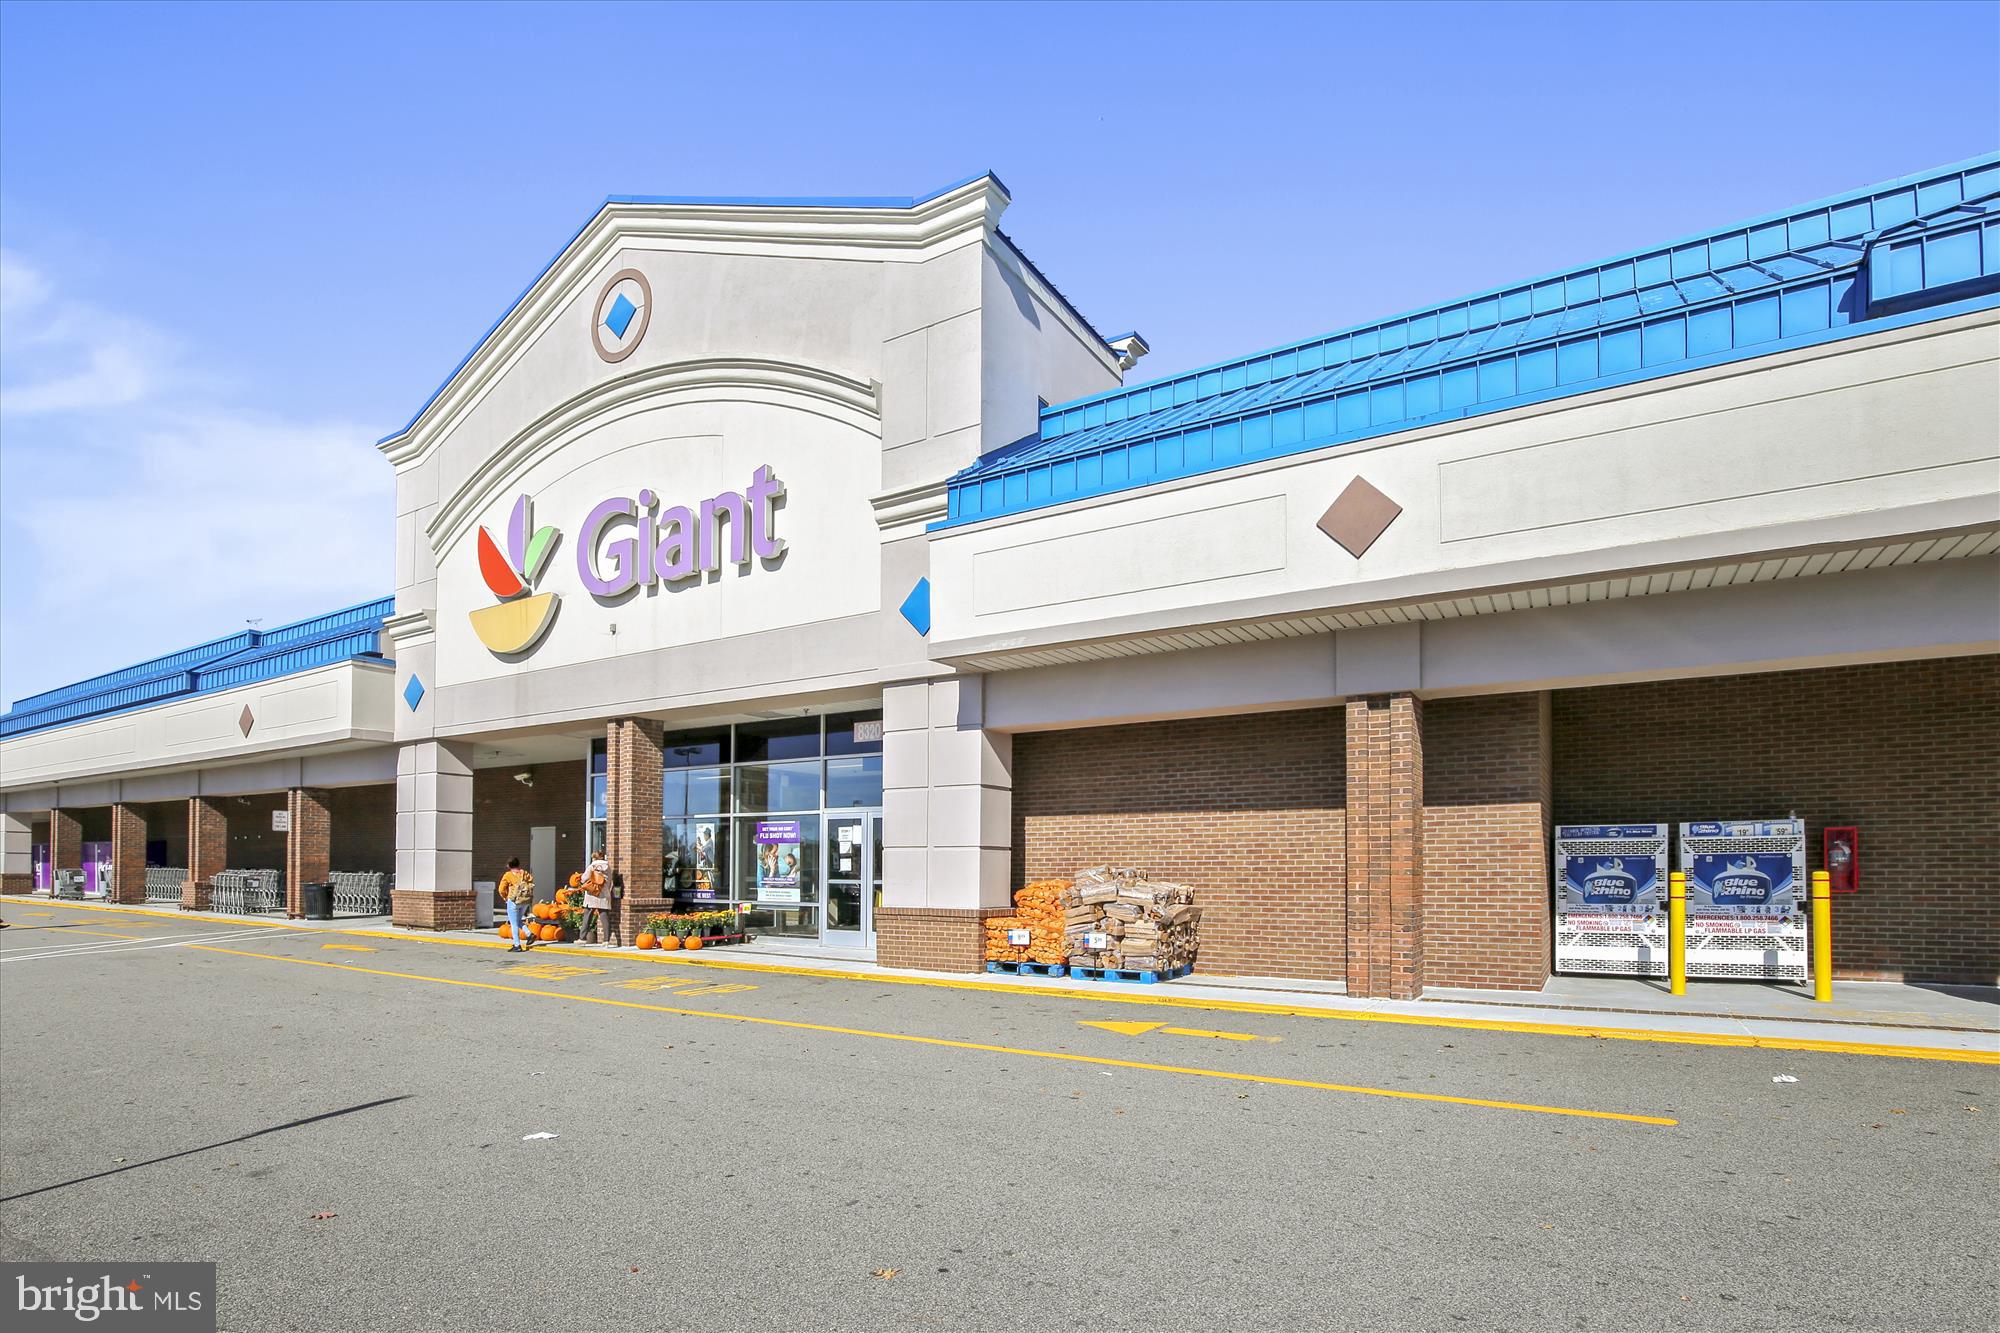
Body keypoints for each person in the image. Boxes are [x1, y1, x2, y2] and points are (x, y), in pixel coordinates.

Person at [499, 857, 536, 952]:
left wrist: (505, 898)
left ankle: (517, 945)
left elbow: (501, 889)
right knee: (518, 920)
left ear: (509, 865)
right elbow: (531, 882)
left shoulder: (508, 875)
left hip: (514, 901)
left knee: (513, 923)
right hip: (525, 901)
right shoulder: (525, 873)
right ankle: (529, 934)